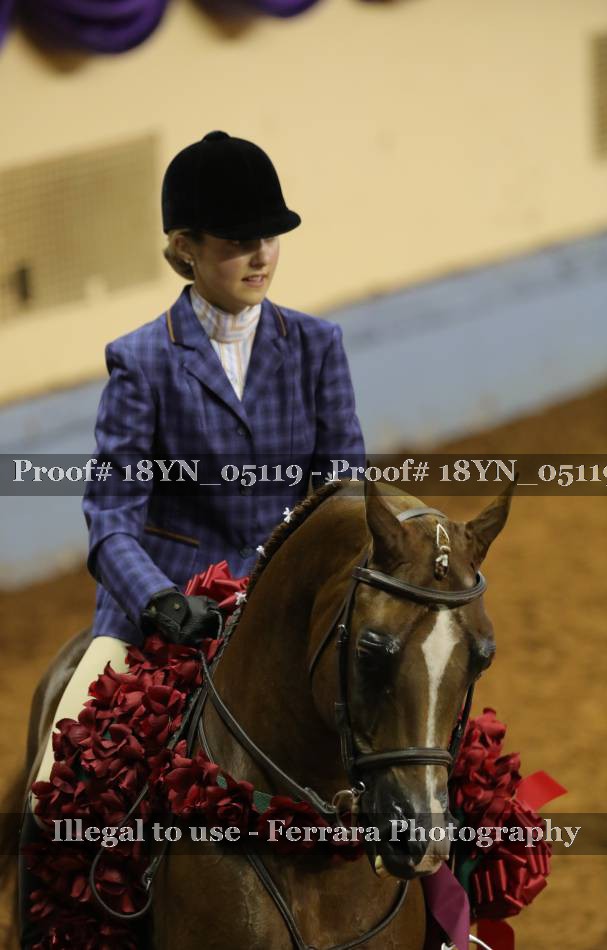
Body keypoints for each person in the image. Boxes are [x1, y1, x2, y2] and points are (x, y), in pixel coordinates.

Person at [19, 130, 365, 946]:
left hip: (280, 612)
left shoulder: (317, 346)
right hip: (165, 618)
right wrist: (159, 601)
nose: (260, 254)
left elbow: (342, 495)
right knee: (55, 789)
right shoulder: (142, 361)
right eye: (238, 240)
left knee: (415, 749)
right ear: (184, 247)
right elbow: (110, 517)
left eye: (269, 235)